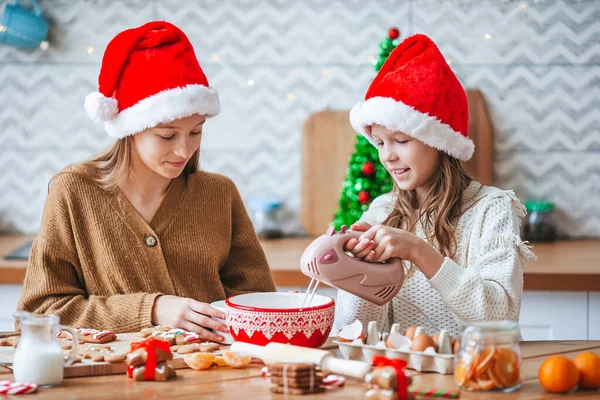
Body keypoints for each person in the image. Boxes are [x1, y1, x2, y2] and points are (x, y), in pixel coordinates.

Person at [17, 21, 276, 342]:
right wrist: (152, 309)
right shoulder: (74, 192)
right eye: (167, 136)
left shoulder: (219, 193)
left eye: (196, 131)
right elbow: (40, 313)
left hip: (211, 376)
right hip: (111, 383)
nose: (185, 149)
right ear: (131, 128)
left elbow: (259, 300)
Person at [334, 34, 535, 338]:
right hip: (398, 378)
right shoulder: (382, 211)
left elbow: (500, 315)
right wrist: (355, 268)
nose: (387, 155)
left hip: (474, 376)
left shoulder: (491, 209)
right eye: (379, 143)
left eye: (401, 140)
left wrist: (419, 251)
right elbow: (353, 330)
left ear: (438, 141)